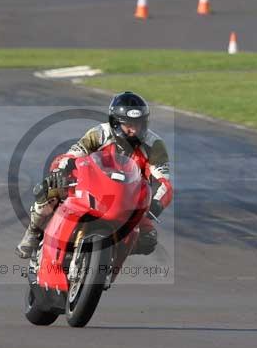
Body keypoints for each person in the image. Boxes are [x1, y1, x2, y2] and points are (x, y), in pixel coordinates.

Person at [15, 91, 173, 259]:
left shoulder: (154, 145)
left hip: (128, 198)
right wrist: (60, 170)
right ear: (116, 123)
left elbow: (163, 181)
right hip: (90, 185)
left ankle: (110, 259)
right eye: (129, 124)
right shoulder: (99, 134)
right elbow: (74, 154)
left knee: (148, 240)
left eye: (139, 124)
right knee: (48, 190)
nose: (134, 129)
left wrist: (157, 203)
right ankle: (32, 233)